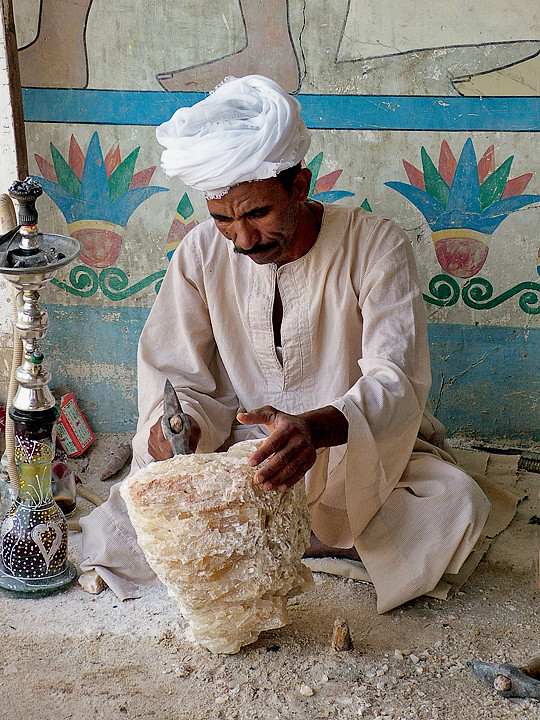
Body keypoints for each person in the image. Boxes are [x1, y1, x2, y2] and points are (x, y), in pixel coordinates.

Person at [80, 74, 490, 612]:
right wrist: (172, 429)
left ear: (300, 186)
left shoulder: (375, 245)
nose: (243, 239)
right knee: (119, 526)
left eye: (257, 213)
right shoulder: (201, 253)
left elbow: (396, 381)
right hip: (244, 460)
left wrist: (313, 430)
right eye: (223, 218)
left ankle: (292, 541)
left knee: (454, 505)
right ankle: (311, 545)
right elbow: (173, 370)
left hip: (351, 455)